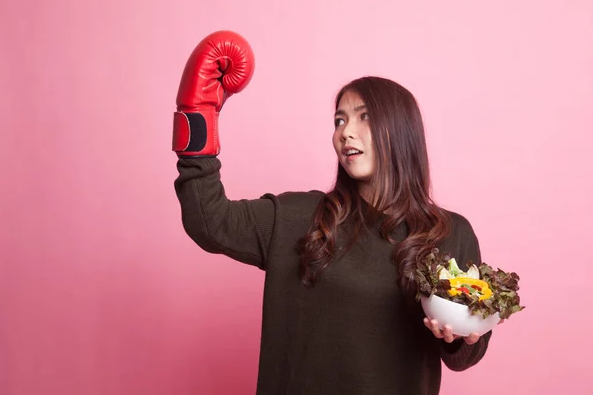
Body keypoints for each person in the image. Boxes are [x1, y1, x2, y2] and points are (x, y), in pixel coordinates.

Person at [172, 30, 492, 395]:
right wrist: (197, 114)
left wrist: (460, 337)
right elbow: (210, 221)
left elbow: (465, 354)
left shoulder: (450, 233)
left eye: (364, 117)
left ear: (401, 132)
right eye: (339, 121)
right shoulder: (298, 218)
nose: (345, 133)